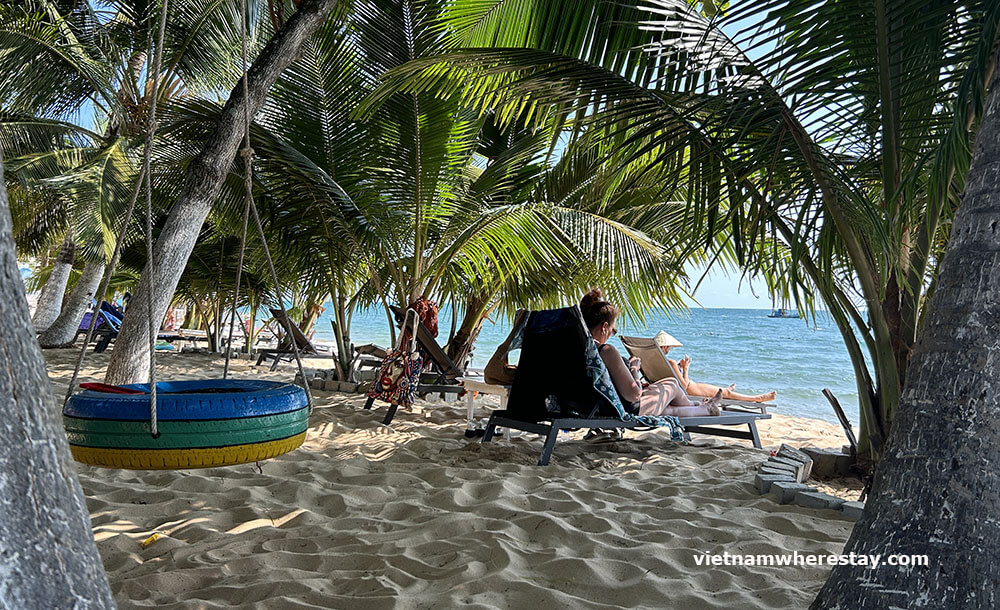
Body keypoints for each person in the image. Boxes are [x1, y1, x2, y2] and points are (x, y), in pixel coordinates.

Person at [580, 289, 722, 417]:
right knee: (672, 384)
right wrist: (634, 369)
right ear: (605, 327)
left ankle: (704, 408)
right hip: (623, 410)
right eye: (613, 330)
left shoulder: (580, 349)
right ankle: (697, 406)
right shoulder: (606, 351)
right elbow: (633, 395)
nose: (612, 334)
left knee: (669, 409)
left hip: (595, 407)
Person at [653, 330, 777, 403]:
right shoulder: (672, 363)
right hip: (692, 389)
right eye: (669, 347)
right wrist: (686, 368)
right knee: (725, 393)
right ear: (664, 347)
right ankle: (757, 398)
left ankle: (726, 389)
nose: (670, 349)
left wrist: (678, 369)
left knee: (721, 390)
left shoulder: (657, 361)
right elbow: (684, 386)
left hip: (692, 387)